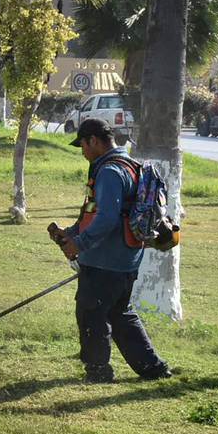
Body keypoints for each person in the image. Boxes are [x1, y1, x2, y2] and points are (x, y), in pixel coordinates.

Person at [50, 118, 172, 383]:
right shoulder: (131, 166)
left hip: (105, 260)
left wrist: (79, 244)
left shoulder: (108, 171)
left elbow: (106, 219)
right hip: (127, 257)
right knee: (120, 312)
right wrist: (71, 233)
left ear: (93, 140)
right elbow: (97, 215)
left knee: (91, 314)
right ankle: (153, 368)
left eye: (82, 144)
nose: (82, 151)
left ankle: (98, 372)